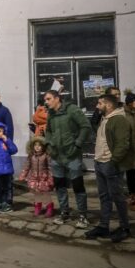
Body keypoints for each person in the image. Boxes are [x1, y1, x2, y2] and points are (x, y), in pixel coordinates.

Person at [85, 94, 134, 243]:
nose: (97, 106)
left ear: (109, 105)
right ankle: (104, 226)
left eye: (100, 103)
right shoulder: (105, 118)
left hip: (109, 164)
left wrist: (113, 161)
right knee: (104, 197)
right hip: (100, 162)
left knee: (117, 197)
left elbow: (123, 144)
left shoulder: (119, 119)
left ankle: (125, 228)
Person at [43, 90, 92, 229]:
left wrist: (77, 144)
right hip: (56, 156)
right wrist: (48, 145)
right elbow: (48, 131)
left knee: (78, 186)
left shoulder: (72, 110)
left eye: (48, 99)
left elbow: (85, 126)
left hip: (72, 155)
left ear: (57, 98)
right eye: (45, 100)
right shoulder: (51, 114)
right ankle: (64, 212)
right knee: (60, 186)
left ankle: (83, 215)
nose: (46, 102)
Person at [20, 137, 54, 217]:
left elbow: (50, 168)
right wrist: (23, 175)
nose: (37, 147)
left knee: (46, 194)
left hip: (44, 178)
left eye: (39, 145)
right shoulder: (31, 156)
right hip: (34, 178)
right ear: (32, 146)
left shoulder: (46, 156)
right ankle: (37, 207)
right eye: (35, 145)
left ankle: (49, 208)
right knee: (37, 194)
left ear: (43, 146)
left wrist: (51, 178)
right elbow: (27, 167)